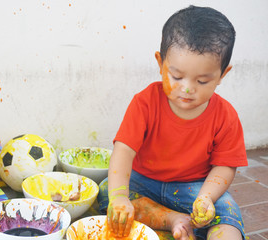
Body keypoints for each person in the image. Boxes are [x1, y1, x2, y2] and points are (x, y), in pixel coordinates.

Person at [97, 5, 248, 240]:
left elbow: (225, 166)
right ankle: (173, 220)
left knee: (226, 211)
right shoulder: (145, 102)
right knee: (107, 191)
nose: (187, 89)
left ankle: (195, 222)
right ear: (160, 64)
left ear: (222, 75)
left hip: (194, 189)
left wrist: (206, 198)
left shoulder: (225, 115)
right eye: (176, 76)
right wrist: (119, 197)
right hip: (143, 183)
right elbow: (124, 150)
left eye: (202, 81)